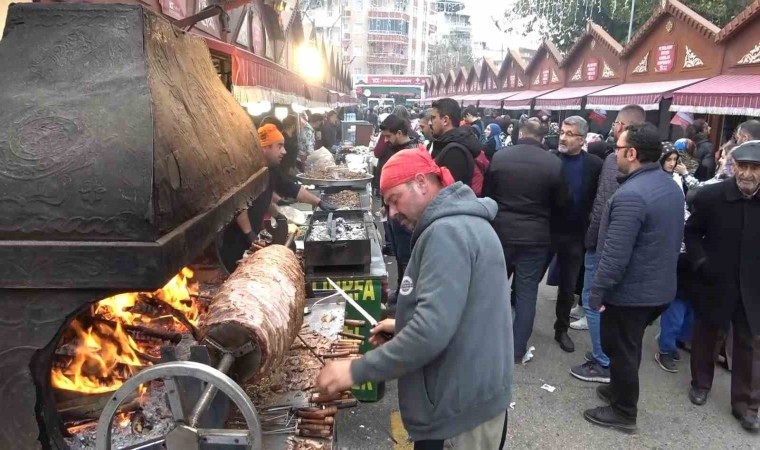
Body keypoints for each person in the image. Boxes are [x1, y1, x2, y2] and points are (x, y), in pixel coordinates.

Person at [317, 149, 512, 450]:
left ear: (421, 183)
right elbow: (463, 308)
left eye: (395, 199)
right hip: (463, 397)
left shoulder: (447, 232)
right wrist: (402, 324)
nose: (392, 213)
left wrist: (355, 371)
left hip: (459, 413)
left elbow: (430, 332)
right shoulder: (457, 225)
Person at [583, 123, 685, 434]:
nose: (615, 153)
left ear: (632, 153)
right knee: (628, 346)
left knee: (621, 348)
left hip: (633, 292)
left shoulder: (632, 194)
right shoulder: (667, 184)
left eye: (618, 147)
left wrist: (597, 292)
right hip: (657, 289)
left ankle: (623, 411)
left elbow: (614, 255)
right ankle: (618, 390)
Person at [685, 140, 760, 433]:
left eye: (755, 168)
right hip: (715, 281)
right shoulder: (710, 196)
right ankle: (700, 384)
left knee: (750, 345)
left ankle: (747, 405)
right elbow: (691, 234)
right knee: (707, 335)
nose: (747, 174)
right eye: (743, 166)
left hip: (753, 287)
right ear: (734, 167)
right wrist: (701, 263)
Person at [569, 105, 646, 384]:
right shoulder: (652, 166)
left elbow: (603, 206)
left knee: (594, 301)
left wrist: (590, 240)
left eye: (616, 124)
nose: (613, 128)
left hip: (603, 245)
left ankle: (603, 361)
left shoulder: (616, 160)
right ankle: (606, 356)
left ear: (624, 126)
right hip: (628, 248)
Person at [483, 117, 568, 363]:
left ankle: (486, 341)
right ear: (542, 138)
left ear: (520, 134)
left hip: (501, 233)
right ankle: (517, 349)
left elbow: (488, 195)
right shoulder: (553, 163)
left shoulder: (500, 157)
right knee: (527, 293)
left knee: (493, 289)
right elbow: (562, 203)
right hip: (536, 236)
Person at [219, 124, 335, 271]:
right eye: (279, 146)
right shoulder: (247, 170)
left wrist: (318, 202)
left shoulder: (270, 170)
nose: (284, 151)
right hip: (235, 240)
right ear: (265, 147)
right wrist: (249, 234)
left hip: (252, 236)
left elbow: (290, 189)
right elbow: (239, 205)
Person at [549, 116, 603, 353]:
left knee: (568, 286)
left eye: (570, 134)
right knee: (527, 279)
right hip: (547, 231)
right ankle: (518, 325)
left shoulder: (593, 164)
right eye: (562, 131)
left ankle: (561, 329)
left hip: (575, 234)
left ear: (582, 139)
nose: (563, 137)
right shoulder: (549, 159)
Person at [377, 114, 426, 309]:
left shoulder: (413, 151)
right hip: (391, 208)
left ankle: (408, 300)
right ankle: (400, 292)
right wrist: (385, 203)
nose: (386, 140)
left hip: (405, 214)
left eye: (388, 136)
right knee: (398, 253)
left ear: (400, 132)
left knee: (407, 256)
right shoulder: (391, 148)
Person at [654, 146, 694, 373]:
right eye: (668, 159)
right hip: (672, 245)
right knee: (676, 301)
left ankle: (673, 341)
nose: (671, 163)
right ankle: (666, 346)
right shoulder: (658, 181)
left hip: (686, 244)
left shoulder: (679, 178)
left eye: (674, 159)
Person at [429, 98, 481, 188]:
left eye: (433, 118)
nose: (430, 123)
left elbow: (448, 191)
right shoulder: (446, 144)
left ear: (445, 120)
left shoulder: (455, 152)